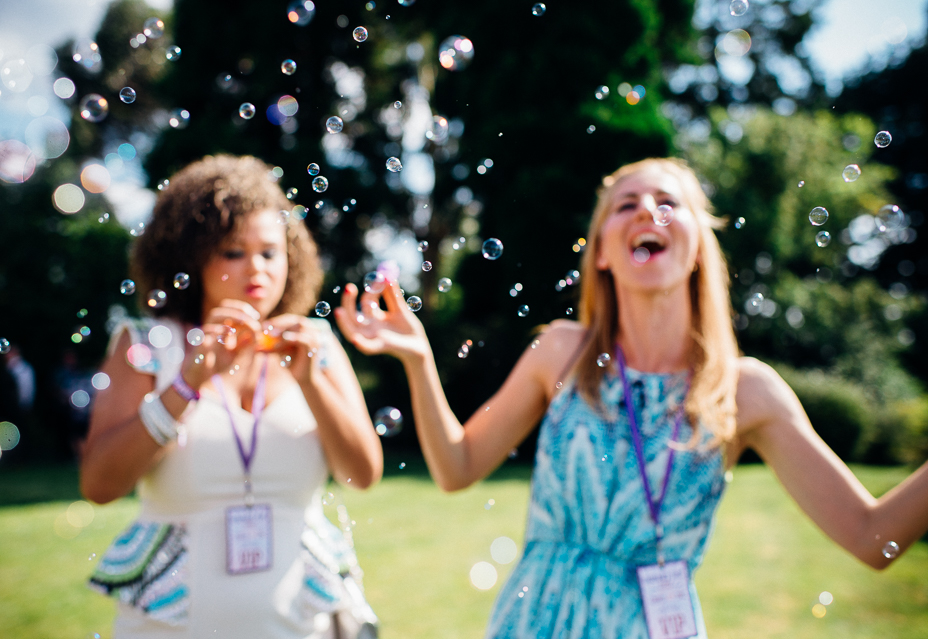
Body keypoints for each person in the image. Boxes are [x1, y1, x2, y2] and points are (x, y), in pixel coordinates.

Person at [335, 157, 928, 638]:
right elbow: (457, 468)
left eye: (669, 203)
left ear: (698, 245)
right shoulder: (560, 354)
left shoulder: (746, 391)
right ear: (601, 252)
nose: (648, 209)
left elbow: (874, 538)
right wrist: (418, 362)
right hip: (534, 624)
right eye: (627, 204)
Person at [80, 155, 383, 638]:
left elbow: (362, 475)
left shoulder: (316, 343)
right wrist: (185, 384)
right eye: (232, 252)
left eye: (269, 251)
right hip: (170, 626)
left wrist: (311, 383)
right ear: (191, 257)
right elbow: (99, 485)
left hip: (303, 623)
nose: (256, 269)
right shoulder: (146, 344)